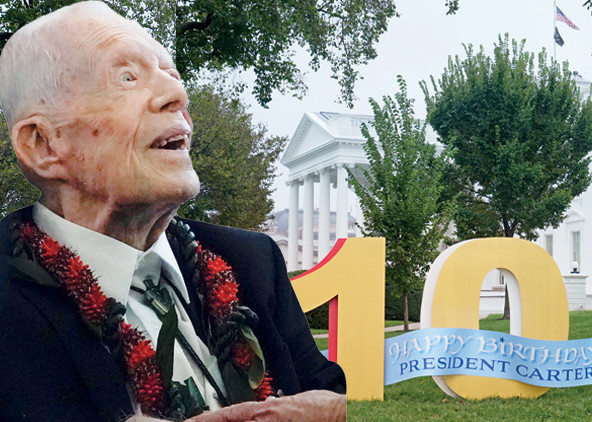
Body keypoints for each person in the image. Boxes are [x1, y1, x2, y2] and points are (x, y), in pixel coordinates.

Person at [0, 2, 346, 421]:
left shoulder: (253, 261)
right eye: (127, 78)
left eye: (172, 75)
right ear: (42, 144)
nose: (178, 96)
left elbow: (329, 390)